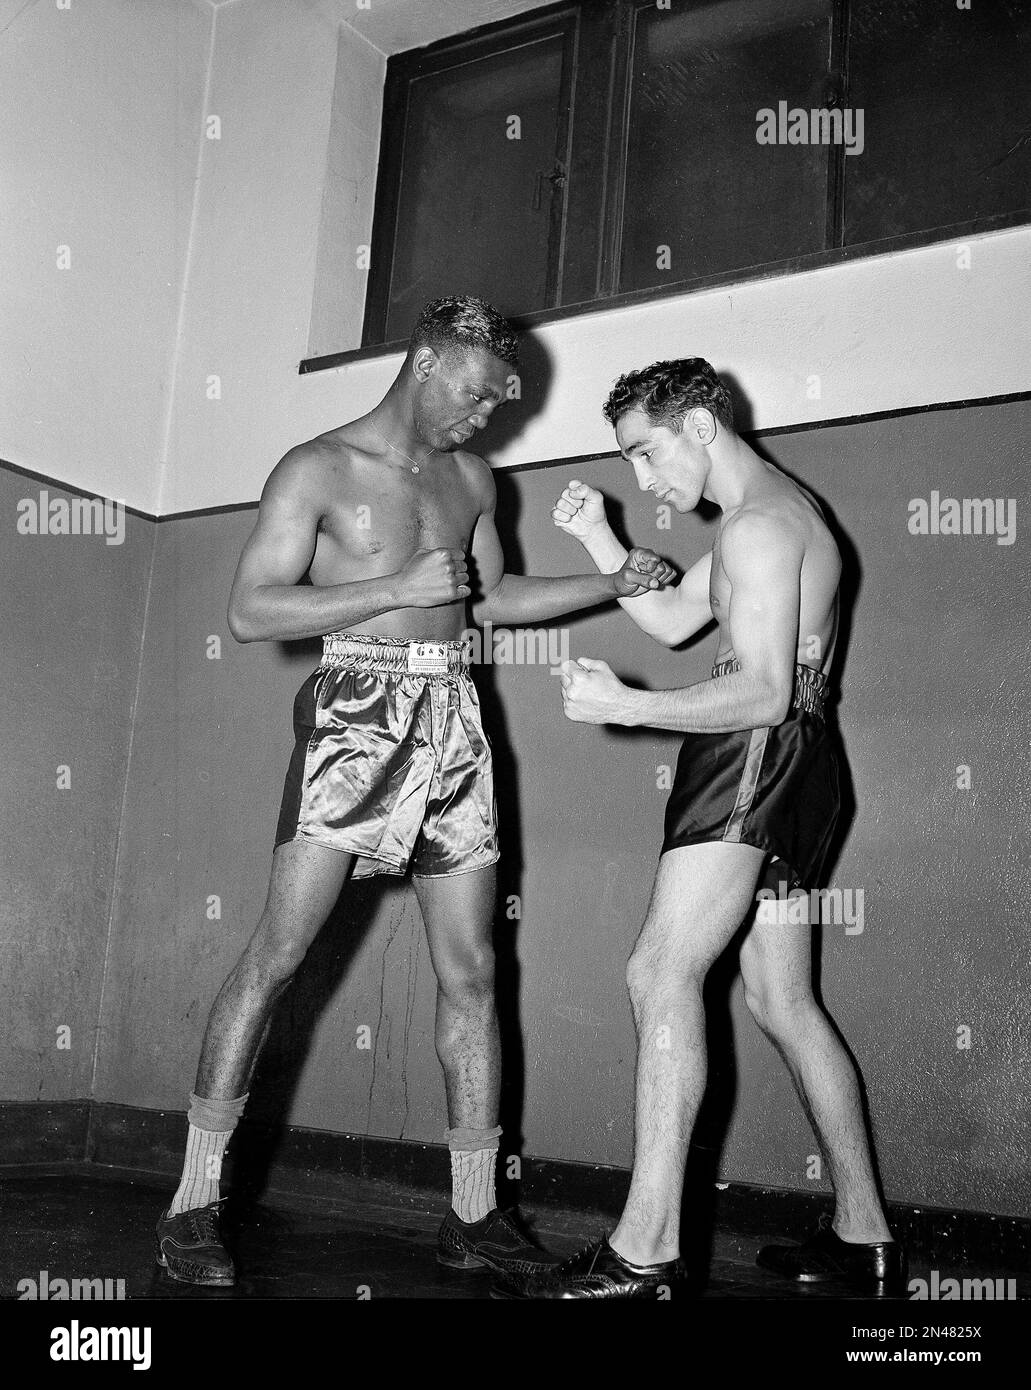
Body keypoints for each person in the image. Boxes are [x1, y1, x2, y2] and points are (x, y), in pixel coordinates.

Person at [154, 297, 674, 1287]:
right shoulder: (316, 467)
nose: (486, 417)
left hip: (456, 722)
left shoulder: (471, 477)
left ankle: (474, 1214)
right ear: (426, 363)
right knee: (278, 953)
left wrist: (611, 582)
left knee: (473, 971)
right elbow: (251, 608)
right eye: (476, 394)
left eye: (498, 401)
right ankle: (190, 1206)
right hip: (354, 708)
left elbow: (492, 597)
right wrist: (390, 589)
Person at [495, 357, 904, 1299]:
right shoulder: (775, 513)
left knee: (658, 969)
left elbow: (757, 692)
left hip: (756, 754)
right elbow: (679, 618)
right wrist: (603, 539)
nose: (644, 480)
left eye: (645, 452)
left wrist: (631, 708)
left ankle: (646, 1252)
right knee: (782, 1004)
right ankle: (864, 1237)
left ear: (699, 426)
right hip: (805, 762)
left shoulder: (760, 528)